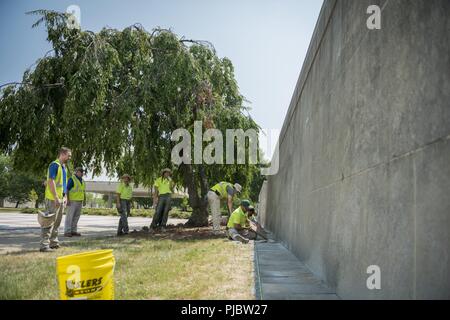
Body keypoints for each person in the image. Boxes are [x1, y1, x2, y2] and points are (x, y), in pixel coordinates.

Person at [38, 147, 72, 252]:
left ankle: (54, 243)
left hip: (61, 199)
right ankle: (44, 246)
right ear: (62, 154)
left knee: (57, 222)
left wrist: (65, 196)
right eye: (69, 155)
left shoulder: (64, 167)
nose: (70, 157)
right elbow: (51, 181)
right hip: (52, 198)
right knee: (48, 222)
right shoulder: (54, 165)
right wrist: (56, 197)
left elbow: (64, 184)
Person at [64, 167, 86, 237]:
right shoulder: (72, 179)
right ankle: (67, 231)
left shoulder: (82, 181)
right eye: (81, 171)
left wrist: (84, 200)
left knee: (76, 217)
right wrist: (68, 199)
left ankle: (73, 231)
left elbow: (83, 191)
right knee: (69, 217)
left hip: (80, 201)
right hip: (72, 201)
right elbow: (67, 190)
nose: (82, 173)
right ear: (77, 172)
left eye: (83, 172)